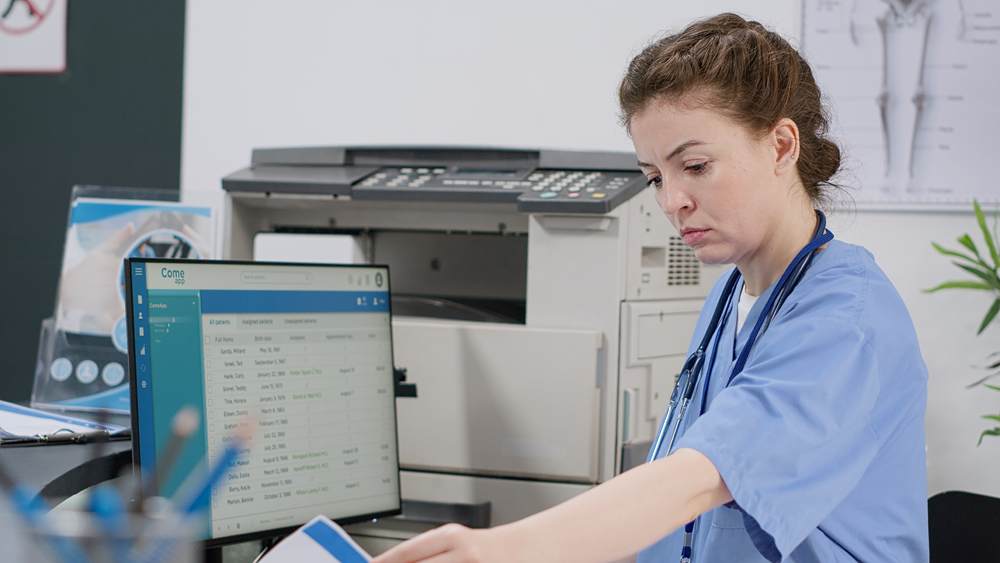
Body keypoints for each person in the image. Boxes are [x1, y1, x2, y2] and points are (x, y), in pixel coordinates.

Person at [372, 13, 929, 563]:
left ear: (782, 147)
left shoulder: (848, 320)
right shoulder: (731, 295)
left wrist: (505, 549)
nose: (671, 202)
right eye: (656, 177)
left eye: (695, 165)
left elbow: (705, 474)